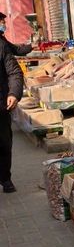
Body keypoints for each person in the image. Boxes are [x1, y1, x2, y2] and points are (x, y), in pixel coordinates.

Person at [0, 34, 23, 193]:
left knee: (4, 144)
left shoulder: (1, 45)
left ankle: (5, 178)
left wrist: (13, 93)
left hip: (0, 106)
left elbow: (14, 72)